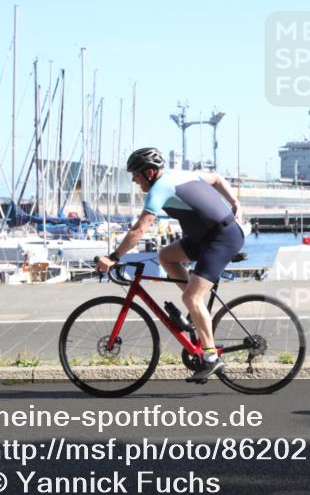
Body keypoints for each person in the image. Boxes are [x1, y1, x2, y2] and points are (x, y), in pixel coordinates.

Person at [96, 147, 244, 382]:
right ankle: (196, 316)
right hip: (204, 237)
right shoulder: (180, 175)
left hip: (221, 238)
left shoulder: (159, 189)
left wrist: (113, 257)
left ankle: (211, 358)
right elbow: (216, 178)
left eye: (136, 174)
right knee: (166, 256)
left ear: (150, 173)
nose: (134, 180)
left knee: (192, 299)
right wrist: (234, 201)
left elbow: (139, 230)